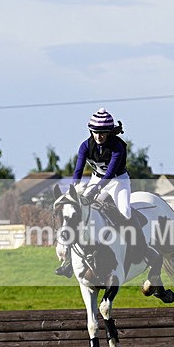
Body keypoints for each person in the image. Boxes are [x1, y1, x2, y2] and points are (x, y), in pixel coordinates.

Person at [55, 107, 133, 277]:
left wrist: (95, 190)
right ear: (91, 131)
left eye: (103, 132)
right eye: (96, 132)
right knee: (82, 213)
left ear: (109, 132)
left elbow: (110, 173)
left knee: (126, 212)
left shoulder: (118, 146)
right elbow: (78, 170)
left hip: (118, 181)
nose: (99, 136)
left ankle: (135, 251)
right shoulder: (85, 146)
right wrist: (73, 190)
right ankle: (71, 261)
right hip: (97, 179)